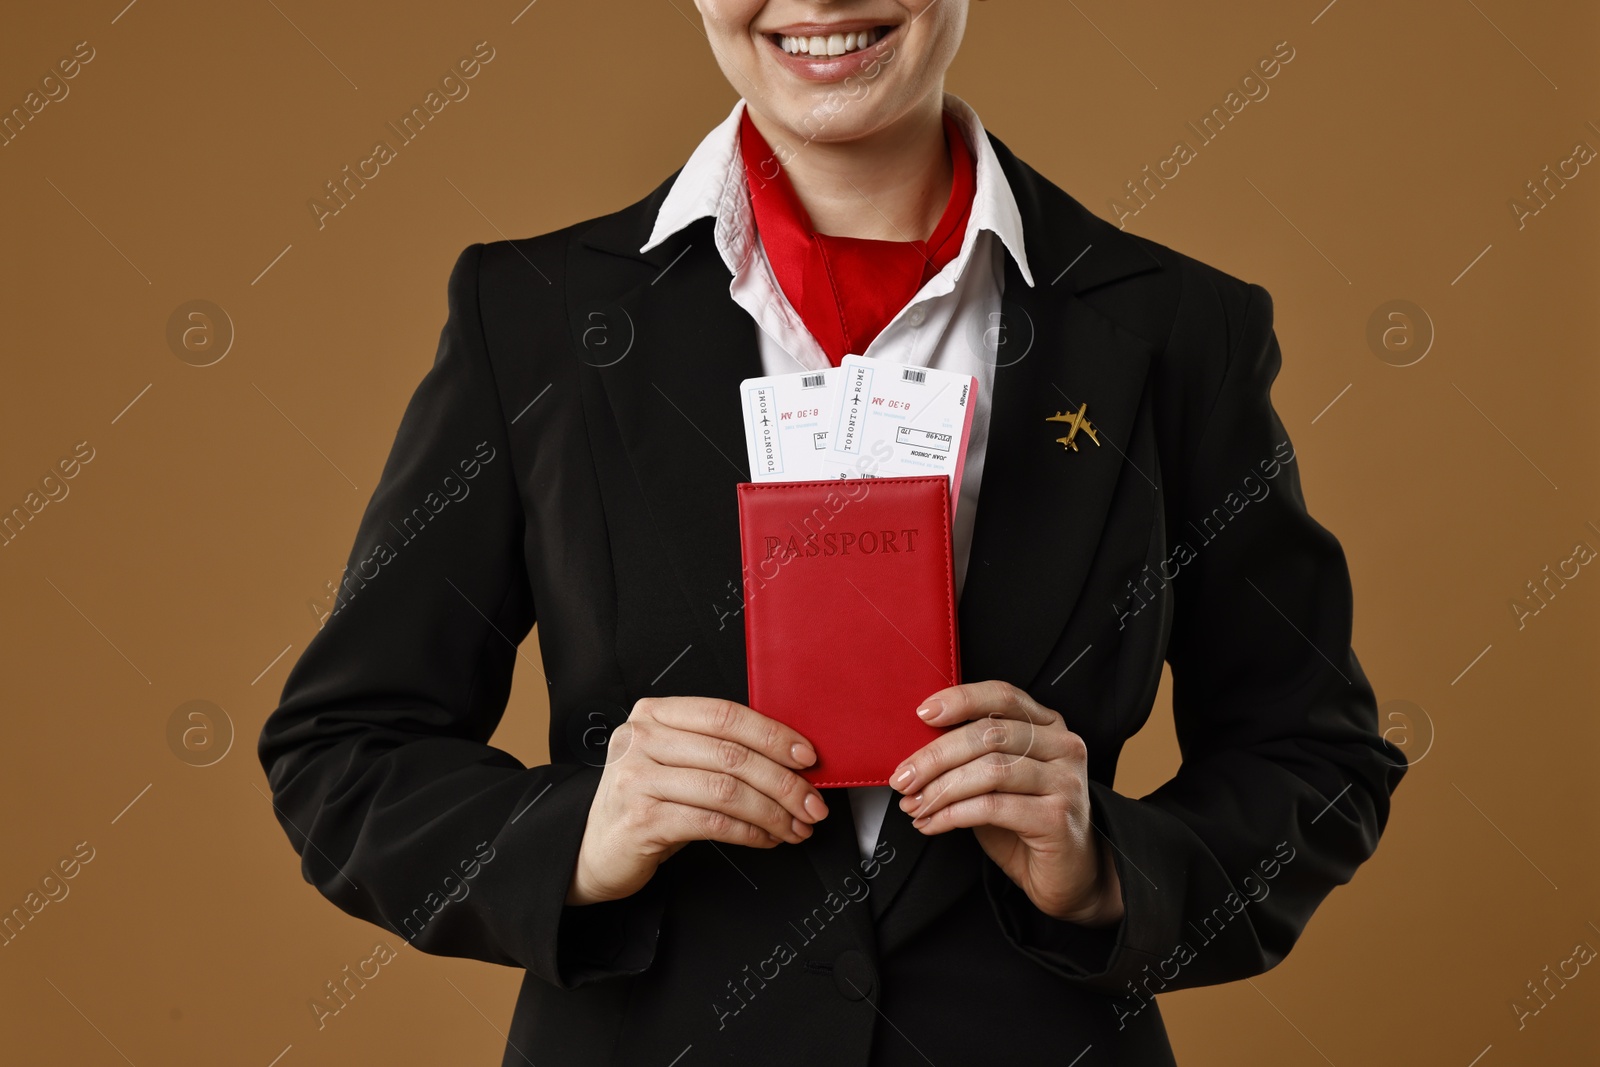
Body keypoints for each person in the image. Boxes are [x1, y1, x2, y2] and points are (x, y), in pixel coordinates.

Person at [258, 3, 1407, 1064]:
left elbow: (1316, 758)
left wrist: (1111, 868)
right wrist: (579, 833)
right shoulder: (535, 319)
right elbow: (344, 754)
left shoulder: (1173, 327)